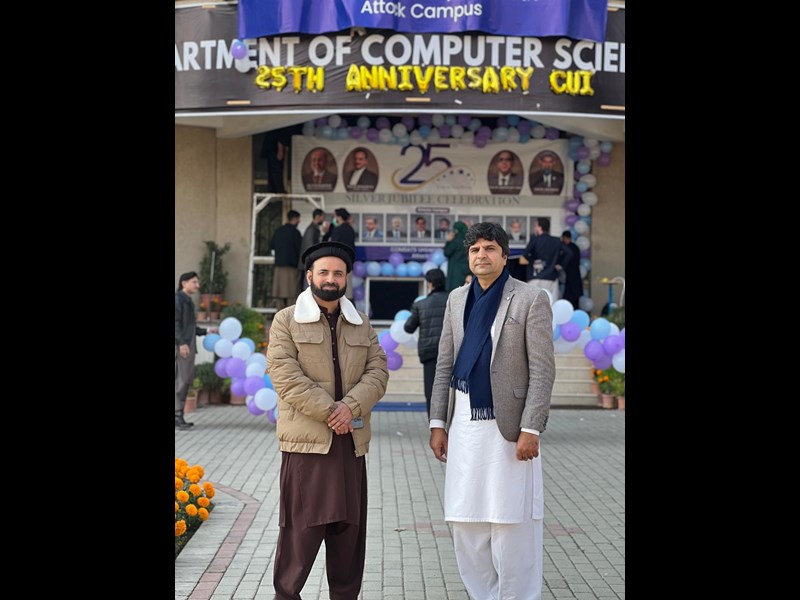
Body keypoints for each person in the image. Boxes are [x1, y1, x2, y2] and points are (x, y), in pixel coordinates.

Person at [428, 222, 555, 600]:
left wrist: (531, 428)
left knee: (510, 519)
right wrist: (438, 422)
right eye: (475, 250)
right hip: (464, 424)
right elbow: (445, 363)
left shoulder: (530, 298)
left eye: (489, 248)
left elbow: (543, 370)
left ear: (504, 255)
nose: (481, 255)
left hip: (510, 429)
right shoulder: (456, 299)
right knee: (465, 519)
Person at [266, 241, 389, 599]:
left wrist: (350, 407)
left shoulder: (360, 323)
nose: (330, 279)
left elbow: (378, 372)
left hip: (350, 445)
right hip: (308, 448)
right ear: (309, 276)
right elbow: (285, 374)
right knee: (299, 537)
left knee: (349, 538)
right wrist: (333, 412)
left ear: (347, 277)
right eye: (323, 272)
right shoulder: (286, 320)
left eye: (338, 273)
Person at [403, 268, 449, 417]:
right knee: (452, 389)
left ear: (429, 283)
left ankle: (434, 423)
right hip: (452, 351)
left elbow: (408, 328)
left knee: (431, 391)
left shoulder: (421, 305)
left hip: (430, 352)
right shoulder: (454, 300)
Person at [175, 271, 216, 429]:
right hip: (183, 345)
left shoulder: (187, 301)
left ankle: (178, 414)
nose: (197, 285)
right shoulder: (179, 299)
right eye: (194, 282)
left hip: (187, 343)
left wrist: (207, 331)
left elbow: (190, 327)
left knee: (184, 379)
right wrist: (181, 343)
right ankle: (178, 415)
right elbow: (176, 323)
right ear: (184, 283)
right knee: (183, 379)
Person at [520, 217, 565, 301]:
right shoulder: (556, 241)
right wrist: (560, 264)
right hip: (552, 277)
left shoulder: (534, 240)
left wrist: (532, 261)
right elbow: (569, 253)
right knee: (551, 304)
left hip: (535, 276)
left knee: (533, 304)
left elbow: (525, 255)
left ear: (539, 227)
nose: (534, 228)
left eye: (535, 226)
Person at [270, 210, 303, 310]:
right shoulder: (295, 233)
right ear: (295, 219)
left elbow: (271, 245)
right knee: (292, 296)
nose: (299, 221)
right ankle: (290, 318)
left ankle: (279, 317)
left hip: (279, 267)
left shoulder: (278, 231)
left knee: (279, 295)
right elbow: (299, 250)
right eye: (298, 219)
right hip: (292, 268)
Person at [324, 208, 357, 300]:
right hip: (348, 261)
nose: (334, 218)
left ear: (339, 217)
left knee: (338, 287)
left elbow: (332, 245)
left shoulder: (338, 230)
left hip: (338, 262)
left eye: (334, 216)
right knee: (348, 289)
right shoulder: (350, 229)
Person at [298, 209, 327, 290]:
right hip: (309, 263)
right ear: (317, 216)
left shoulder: (313, 229)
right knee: (308, 286)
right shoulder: (311, 230)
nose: (323, 219)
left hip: (310, 262)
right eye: (322, 217)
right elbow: (310, 247)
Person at [558, 230, 583, 310]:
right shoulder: (575, 247)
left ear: (565, 238)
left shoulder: (567, 249)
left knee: (570, 295)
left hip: (571, 274)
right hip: (574, 274)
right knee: (574, 296)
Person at [444, 221, 470, 292]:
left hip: (455, 272)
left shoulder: (455, 241)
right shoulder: (469, 240)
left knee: (455, 292)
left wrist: (448, 241)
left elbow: (447, 252)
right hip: (466, 271)